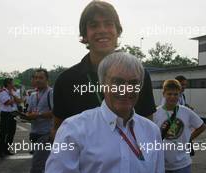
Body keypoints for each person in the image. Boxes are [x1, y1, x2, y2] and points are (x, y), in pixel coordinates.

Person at [45, 52, 164, 173]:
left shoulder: (152, 132)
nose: (126, 89)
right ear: (102, 84)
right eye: (118, 82)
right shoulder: (73, 129)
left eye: (134, 83)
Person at [52, 0, 156, 139]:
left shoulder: (139, 75)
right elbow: (58, 132)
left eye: (108, 24)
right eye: (94, 25)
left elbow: (147, 126)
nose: (102, 30)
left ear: (117, 31)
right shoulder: (66, 80)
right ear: (85, 34)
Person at [153, 79, 206, 173]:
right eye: (169, 94)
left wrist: (189, 138)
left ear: (179, 95)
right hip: (161, 164)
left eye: (176, 94)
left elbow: (201, 126)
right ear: (163, 94)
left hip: (183, 164)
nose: (172, 97)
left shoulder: (186, 112)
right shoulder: (156, 113)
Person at [24, 68, 54, 173]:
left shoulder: (51, 93)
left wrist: (39, 115)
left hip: (46, 134)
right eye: (36, 78)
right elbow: (29, 111)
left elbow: (55, 112)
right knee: (42, 164)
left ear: (47, 80)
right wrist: (26, 116)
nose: (38, 80)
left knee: (37, 166)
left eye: (41, 78)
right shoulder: (32, 95)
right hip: (34, 133)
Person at [0, 78, 22, 158]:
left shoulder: (13, 92)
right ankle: (1, 151)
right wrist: (15, 98)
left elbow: (20, 101)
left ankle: (7, 149)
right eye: (12, 83)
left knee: (12, 132)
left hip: (13, 114)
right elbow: (7, 102)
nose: (13, 84)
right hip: (6, 114)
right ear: (8, 84)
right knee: (3, 133)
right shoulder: (2, 92)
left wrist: (13, 96)